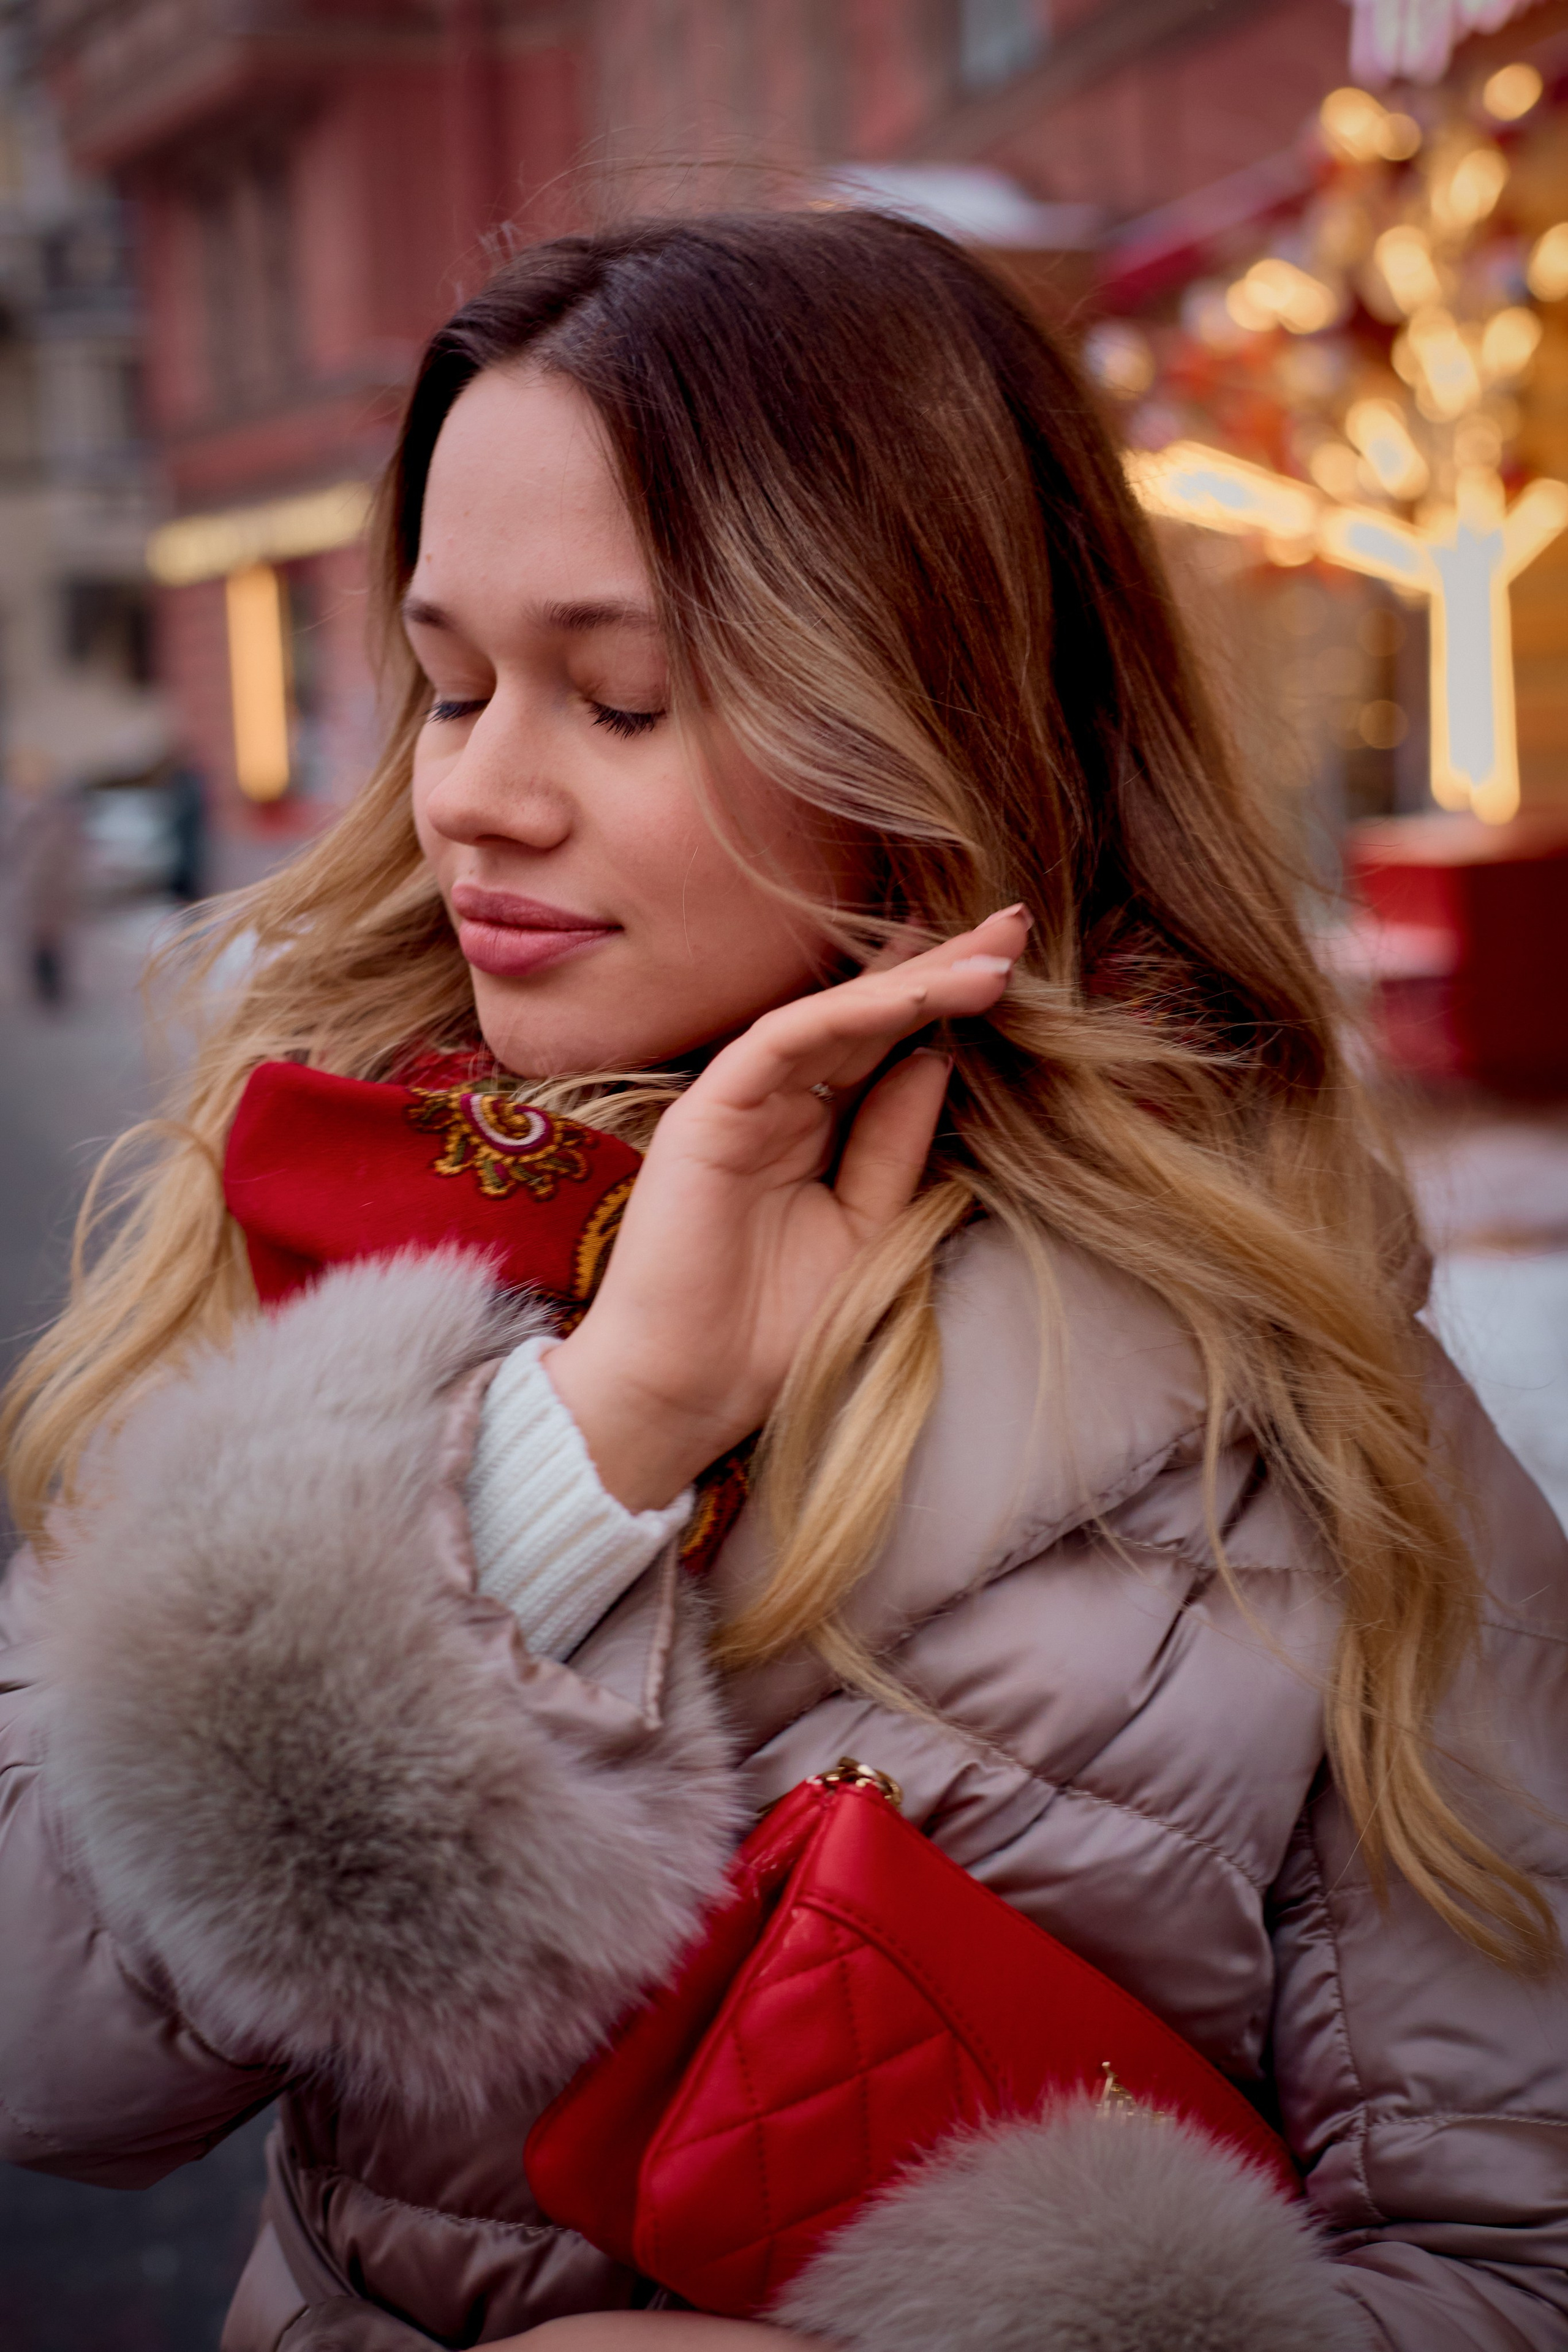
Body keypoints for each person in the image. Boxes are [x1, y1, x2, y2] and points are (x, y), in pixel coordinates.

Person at [1, 213, 1564, 2352]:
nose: (472, 791)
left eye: (619, 695)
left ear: (930, 724)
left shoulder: (1284, 1371)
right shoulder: (307, 1199)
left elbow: (1516, 2266)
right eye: (450, 683)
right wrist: (581, 1443)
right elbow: (46, 2063)